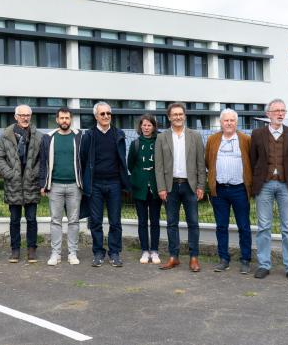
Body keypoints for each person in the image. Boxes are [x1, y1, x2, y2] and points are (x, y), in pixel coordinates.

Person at [250, 99, 288, 281]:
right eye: (276, 111)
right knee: (264, 226)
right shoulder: (257, 134)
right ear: (268, 114)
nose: (280, 114)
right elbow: (253, 160)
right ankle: (264, 265)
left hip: (286, 185)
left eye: (283, 111)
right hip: (264, 185)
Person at [154, 103, 206, 272]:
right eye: (174, 114)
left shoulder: (195, 136)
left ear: (184, 116)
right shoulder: (161, 137)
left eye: (180, 114)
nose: (178, 117)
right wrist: (161, 188)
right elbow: (158, 166)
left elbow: (201, 163)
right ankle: (173, 257)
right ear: (169, 117)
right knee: (171, 223)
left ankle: (194, 257)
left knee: (193, 223)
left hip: (190, 186)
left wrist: (201, 185)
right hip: (170, 187)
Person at [80, 101, 130, 268]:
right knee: (96, 221)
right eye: (102, 114)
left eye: (108, 113)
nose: (106, 116)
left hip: (114, 183)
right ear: (96, 116)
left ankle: (114, 252)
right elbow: (83, 159)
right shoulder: (88, 135)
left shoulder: (119, 134)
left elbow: (122, 159)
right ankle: (98, 253)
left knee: (115, 221)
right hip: (95, 184)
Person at [205, 108, 253, 274]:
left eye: (232, 120)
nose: (229, 123)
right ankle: (223, 259)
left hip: (240, 189)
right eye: (226, 120)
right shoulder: (212, 140)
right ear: (221, 122)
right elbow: (207, 161)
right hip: (219, 190)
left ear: (236, 122)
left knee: (244, 226)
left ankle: (245, 259)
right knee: (221, 226)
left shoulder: (246, 139)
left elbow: (251, 161)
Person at [0, 104, 44, 263]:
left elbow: (42, 159)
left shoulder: (39, 136)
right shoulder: (5, 136)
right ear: (16, 117)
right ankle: (15, 250)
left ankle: (31, 249)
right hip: (13, 184)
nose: (25, 118)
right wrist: (9, 174)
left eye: (27, 115)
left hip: (31, 183)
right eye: (22, 115)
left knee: (31, 219)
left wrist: (34, 173)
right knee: (14, 220)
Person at [40, 107, 83, 266]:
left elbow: (84, 160)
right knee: (55, 221)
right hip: (55, 186)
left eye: (67, 118)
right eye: (62, 118)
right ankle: (55, 253)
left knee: (74, 221)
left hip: (74, 186)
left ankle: (72, 253)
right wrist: (43, 184)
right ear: (57, 120)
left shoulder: (79, 136)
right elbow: (43, 162)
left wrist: (83, 183)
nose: (64, 121)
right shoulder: (48, 137)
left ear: (71, 119)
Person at [127, 114, 162, 265]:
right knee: (142, 221)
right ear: (140, 126)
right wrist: (139, 176)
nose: (146, 128)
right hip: (139, 187)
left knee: (155, 220)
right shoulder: (135, 144)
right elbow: (130, 164)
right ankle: (144, 251)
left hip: (156, 187)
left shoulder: (159, 142)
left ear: (153, 127)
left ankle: (154, 250)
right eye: (144, 125)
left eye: (149, 125)